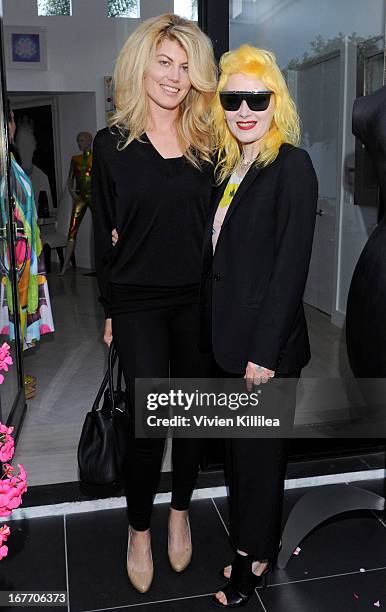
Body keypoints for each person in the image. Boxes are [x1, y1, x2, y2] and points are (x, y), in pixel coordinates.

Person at [91, 14, 216, 594]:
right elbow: (104, 236)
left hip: (198, 298)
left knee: (190, 421)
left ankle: (182, 512)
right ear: (141, 66)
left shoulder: (211, 140)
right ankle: (139, 528)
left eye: (186, 64)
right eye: (164, 61)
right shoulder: (111, 143)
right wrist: (111, 308)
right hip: (139, 300)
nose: (174, 75)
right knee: (149, 427)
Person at [199, 45, 318, 608]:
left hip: (263, 353)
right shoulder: (231, 168)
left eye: (257, 98)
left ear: (277, 102)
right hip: (228, 345)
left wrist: (265, 351)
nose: (245, 110)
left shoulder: (291, 165)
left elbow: (290, 268)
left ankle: (251, 566)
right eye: (233, 98)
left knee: (259, 464)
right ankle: (253, 545)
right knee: (240, 459)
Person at [0, 102, 54, 398]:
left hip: (23, 257)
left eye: (8, 121)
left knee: (15, 319)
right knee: (11, 314)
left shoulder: (10, 164)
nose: (10, 127)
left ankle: (18, 371)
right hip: (12, 260)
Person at [59, 131, 93, 275]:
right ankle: (65, 265)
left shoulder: (95, 158)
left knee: (101, 229)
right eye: (78, 140)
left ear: (90, 141)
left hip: (94, 197)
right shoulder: (75, 159)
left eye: (83, 140)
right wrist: (73, 193)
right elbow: (70, 180)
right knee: (72, 231)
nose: (80, 143)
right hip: (80, 199)